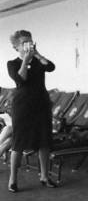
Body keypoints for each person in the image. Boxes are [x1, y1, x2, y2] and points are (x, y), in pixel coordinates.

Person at [6, 30, 58, 192]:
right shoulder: (12, 63)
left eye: (30, 41)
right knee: (18, 143)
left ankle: (44, 176)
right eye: (24, 43)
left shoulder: (38, 61)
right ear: (16, 47)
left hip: (41, 104)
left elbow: (51, 67)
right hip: (22, 106)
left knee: (44, 141)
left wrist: (38, 55)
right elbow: (21, 79)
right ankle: (13, 180)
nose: (29, 44)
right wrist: (25, 61)